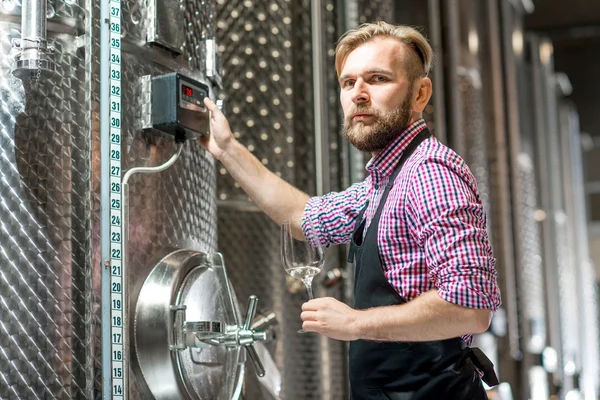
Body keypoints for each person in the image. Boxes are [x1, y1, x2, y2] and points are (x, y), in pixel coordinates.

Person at [200, 21, 501, 400]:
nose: (358, 94)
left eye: (377, 79)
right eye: (348, 82)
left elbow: (470, 308)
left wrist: (356, 323)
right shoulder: (384, 182)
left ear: (420, 93)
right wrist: (226, 148)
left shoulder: (428, 174)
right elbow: (303, 217)